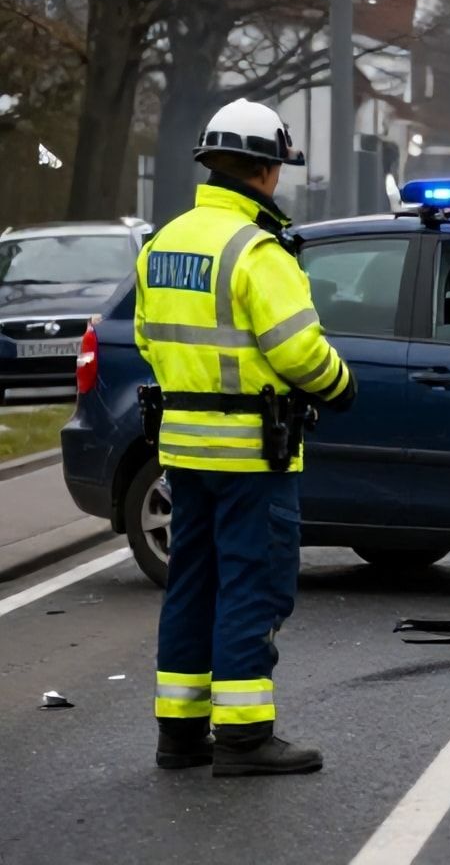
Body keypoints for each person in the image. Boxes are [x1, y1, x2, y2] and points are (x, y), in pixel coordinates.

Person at [138, 99, 356, 776]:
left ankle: (179, 734)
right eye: (278, 169)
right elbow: (297, 351)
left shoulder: (164, 242)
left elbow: (147, 337)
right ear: (264, 171)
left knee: (191, 586)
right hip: (251, 454)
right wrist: (340, 386)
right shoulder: (254, 250)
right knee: (252, 586)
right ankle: (244, 737)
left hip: (182, 448)